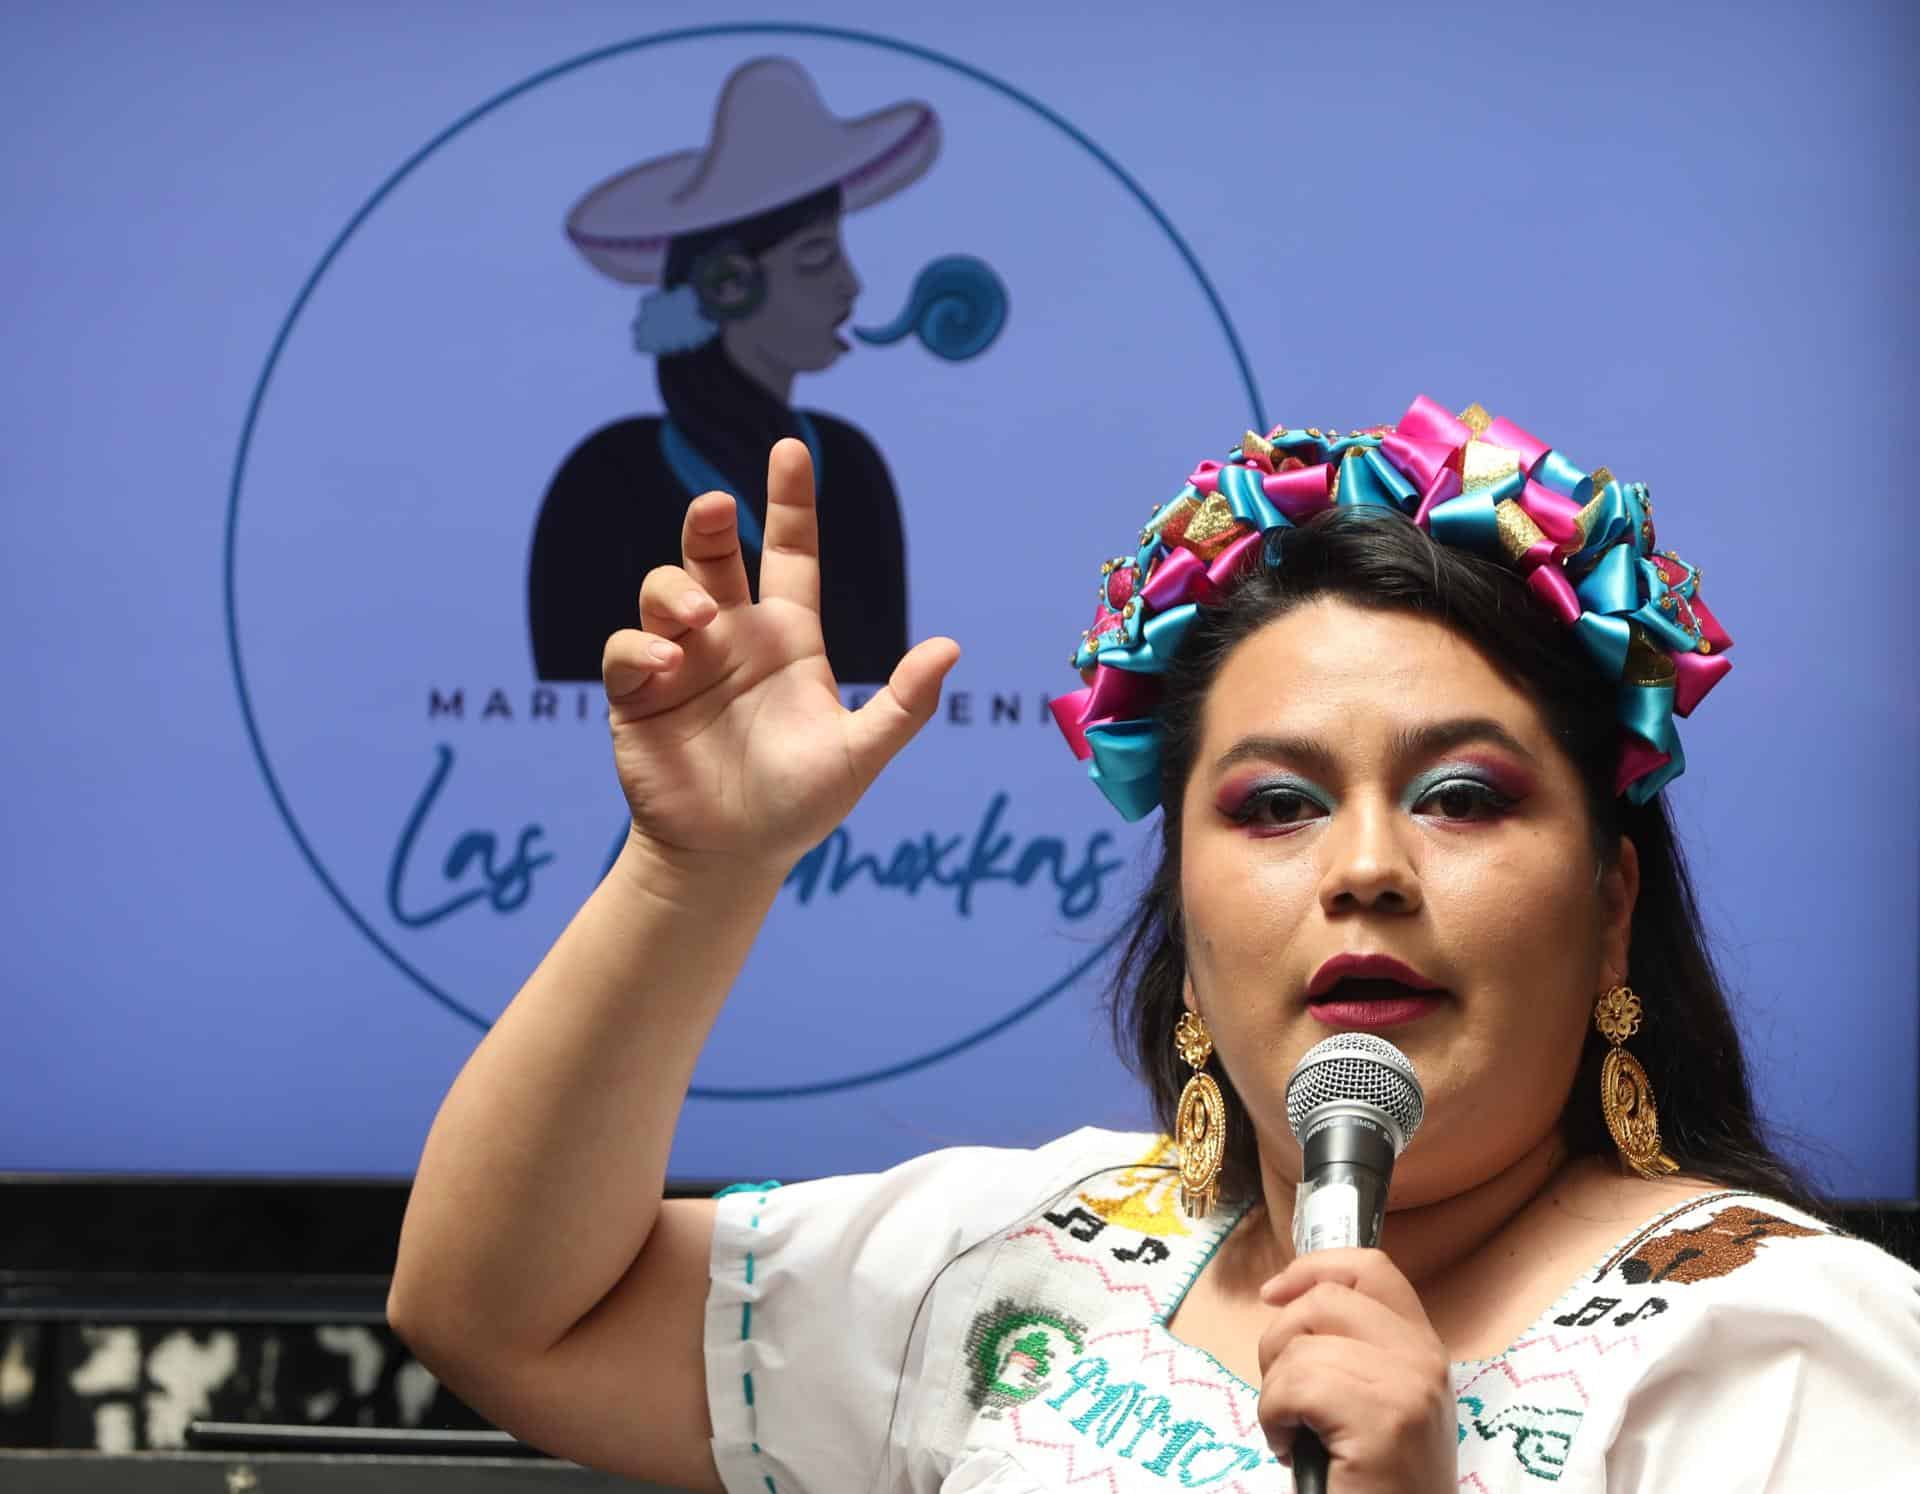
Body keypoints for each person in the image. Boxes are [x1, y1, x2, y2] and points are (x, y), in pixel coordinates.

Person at [389, 400, 1920, 1493]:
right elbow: (504, 1312)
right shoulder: (1029, 1252)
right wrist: (693, 872)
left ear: (1611, 909)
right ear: (1183, 923)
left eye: (1461, 796)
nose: (1366, 868)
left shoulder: (1779, 1343)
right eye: (1275, 805)